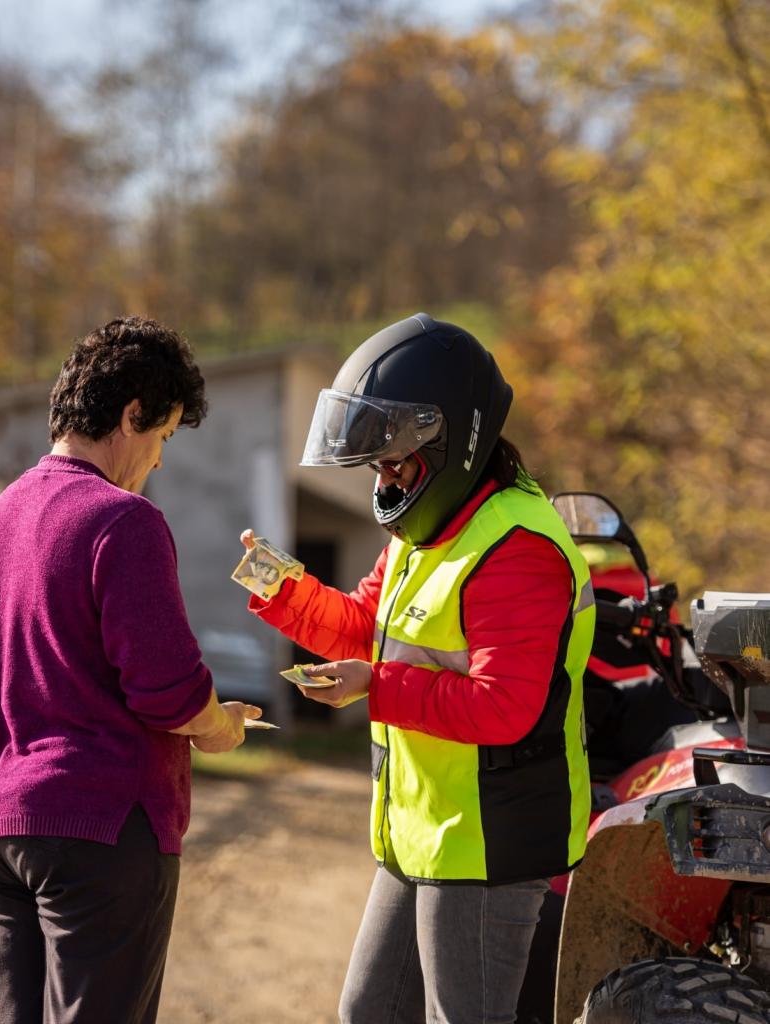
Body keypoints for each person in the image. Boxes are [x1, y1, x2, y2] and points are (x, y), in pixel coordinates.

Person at [239, 312, 595, 1024]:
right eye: (374, 460)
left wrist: (376, 686)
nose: (382, 475)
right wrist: (280, 587)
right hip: (425, 833)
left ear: (449, 439)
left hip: (488, 844)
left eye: (393, 456)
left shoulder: (516, 546)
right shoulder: (429, 533)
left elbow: (504, 707)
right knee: (367, 1012)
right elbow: (362, 625)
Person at [0, 316, 261, 1024]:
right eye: (163, 436)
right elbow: (170, 692)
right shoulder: (124, 521)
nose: (158, 461)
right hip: (99, 824)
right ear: (131, 415)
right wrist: (220, 728)